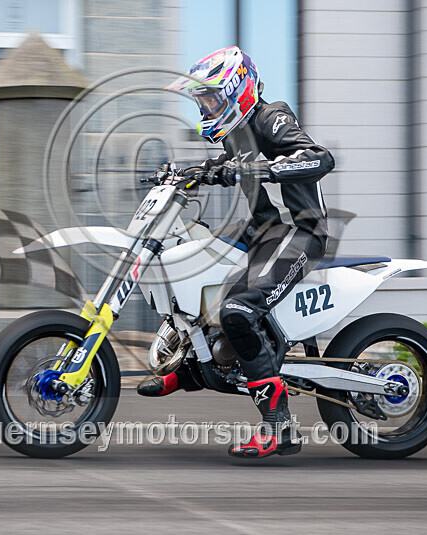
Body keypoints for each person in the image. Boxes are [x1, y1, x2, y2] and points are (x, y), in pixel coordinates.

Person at [136, 46, 335, 458]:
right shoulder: (236, 133)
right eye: (202, 101)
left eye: (211, 98)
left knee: (238, 311)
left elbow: (319, 158)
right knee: (194, 268)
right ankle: (192, 369)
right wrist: (187, 174)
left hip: (298, 231)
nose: (207, 107)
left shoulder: (271, 117)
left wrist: (265, 169)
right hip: (262, 232)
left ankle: (279, 427)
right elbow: (226, 166)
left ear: (237, 89)